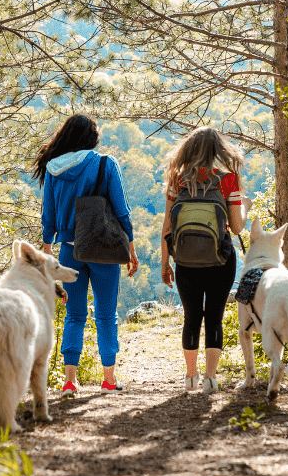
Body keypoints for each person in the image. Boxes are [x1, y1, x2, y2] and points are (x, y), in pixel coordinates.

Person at [36, 114, 139, 396]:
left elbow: (49, 219)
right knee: (106, 315)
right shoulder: (105, 164)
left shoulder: (53, 169)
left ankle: (70, 381)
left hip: (69, 252)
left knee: (74, 315)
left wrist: (47, 258)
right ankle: (108, 379)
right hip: (104, 250)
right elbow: (121, 211)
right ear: (92, 139)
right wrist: (131, 248)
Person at [160, 126, 250, 394]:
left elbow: (167, 225)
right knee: (214, 317)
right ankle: (211, 378)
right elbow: (236, 227)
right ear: (217, 150)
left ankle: (190, 377)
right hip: (220, 259)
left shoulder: (178, 179)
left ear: (188, 149)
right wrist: (244, 205)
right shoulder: (228, 180)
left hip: (185, 260)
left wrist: (166, 262)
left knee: (191, 316)